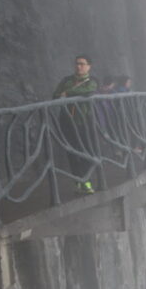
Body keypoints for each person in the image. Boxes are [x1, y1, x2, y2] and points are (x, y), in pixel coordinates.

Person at [52, 55, 99, 194]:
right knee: (72, 152)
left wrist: (69, 93)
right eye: (77, 63)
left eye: (82, 64)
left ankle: (85, 179)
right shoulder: (66, 80)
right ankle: (81, 182)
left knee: (88, 152)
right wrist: (66, 94)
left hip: (84, 121)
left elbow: (88, 91)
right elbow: (56, 95)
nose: (79, 66)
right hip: (67, 121)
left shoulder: (92, 81)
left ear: (89, 66)